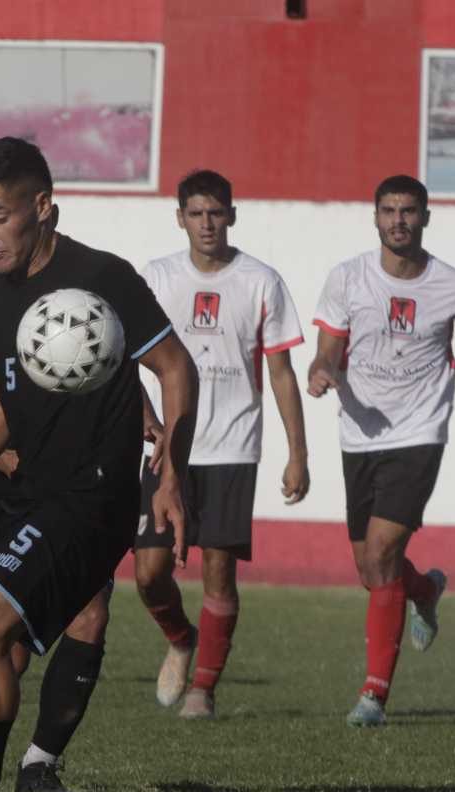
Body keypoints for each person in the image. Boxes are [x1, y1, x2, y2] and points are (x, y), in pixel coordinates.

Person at [0, 137, 198, 792]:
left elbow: (174, 367)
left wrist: (170, 472)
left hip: (88, 503)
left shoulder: (103, 278)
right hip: (18, 501)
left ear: (43, 206)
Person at [132, 170, 309, 719]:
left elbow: (280, 371)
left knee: (218, 571)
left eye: (216, 212)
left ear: (231, 216)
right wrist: (146, 417)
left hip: (233, 448)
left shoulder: (261, 280)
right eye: (196, 213)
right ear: (180, 217)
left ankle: (203, 690)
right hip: (170, 452)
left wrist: (297, 453)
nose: (207, 223)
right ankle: (180, 637)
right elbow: (119, 359)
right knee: (149, 573)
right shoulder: (156, 278)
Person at [0, 281, 114, 792]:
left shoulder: (80, 301)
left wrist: (148, 420)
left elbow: (108, 367)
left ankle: (39, 763)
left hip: (67, 487)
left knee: (90, 610)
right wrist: (6, 460)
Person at [307, 174, 455, 727]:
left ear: (425, 218)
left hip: (419, 432)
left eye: (408, 210)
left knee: (380, 555)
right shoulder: (349, 278)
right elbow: (328, 348)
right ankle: (424, 591)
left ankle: (373, 697)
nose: (398, 219)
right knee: (371, 567)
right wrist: (322, 369)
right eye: (389, 210)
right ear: (375, 218)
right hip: (360, 434)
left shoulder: (454, 285)